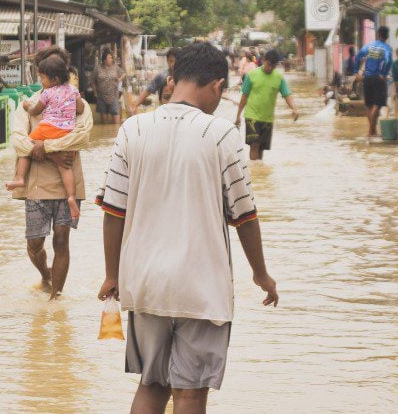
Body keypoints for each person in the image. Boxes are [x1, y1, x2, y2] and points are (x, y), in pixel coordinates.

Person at [97, 42, 278, 413]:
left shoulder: (133, 129)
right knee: (191, 393)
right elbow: (245, 216)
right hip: (201, 288)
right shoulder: (223, 135)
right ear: (216, 86)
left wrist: (111, 274)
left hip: (144, 282)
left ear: (175, 77)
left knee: (151, 386)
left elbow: (113, 211)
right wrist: (261, 275)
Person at [10, 46, 93, 300]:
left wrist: (43, 147)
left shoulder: (78, 102)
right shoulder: (30, 105)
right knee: (35, 243)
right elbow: (19, 142)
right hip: (37, 184)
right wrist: (54, 151)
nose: (42, 78)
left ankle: (55, 298)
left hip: (68, 181)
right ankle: (45, 276)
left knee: (61, 239)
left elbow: (82, 135)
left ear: (57, 73)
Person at [7, 55, 84, 219]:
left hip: (48, 129)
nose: (41, 81)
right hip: (66, 133)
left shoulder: (47, 94)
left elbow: (34, 113)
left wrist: (28, 106)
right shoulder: (72, 91)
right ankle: (71, 196)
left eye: (42, 77)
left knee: (29, 142)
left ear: (54, 78)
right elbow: (81, 109)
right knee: (66, 168)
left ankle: (20, 178)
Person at [234, 49, 298, 161]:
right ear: (263, 60)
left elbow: (287, 94)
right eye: (269, 64)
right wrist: (238, 115)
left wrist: (294, 109)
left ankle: (259, 174)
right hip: (252, 116)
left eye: (273, 66)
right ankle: (254, 174)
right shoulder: (251, 75)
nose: (270, 68)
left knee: (261, 149)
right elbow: (244, 97)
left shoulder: (279, 78)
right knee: (254, 146)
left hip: (267, 119)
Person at [355, 26, 393, 137]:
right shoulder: (386, 48)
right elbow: (388, 61)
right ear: (387, 36)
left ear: (378, 34)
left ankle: (373, 131)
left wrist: (356, 72)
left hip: (367, 78)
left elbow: (358, 57)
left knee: (369, 105)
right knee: (377, 105)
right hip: (378, 78)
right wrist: (384, 73)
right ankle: (371, 130)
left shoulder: (369, 46)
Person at [129, 47, 178, 115]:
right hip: (166, 112)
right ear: (167, 61)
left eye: (175, 61)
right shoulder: (162, 77)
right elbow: (147, 91)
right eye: (171, 61)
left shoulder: (186, 78)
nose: (173, 64)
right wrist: (135, 106)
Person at [91, 48, 126, 124]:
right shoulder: (97, 69)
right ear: (104, 59)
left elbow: (123, 73)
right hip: (101, 95)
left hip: (113, 95)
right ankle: (105, 133)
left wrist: (119, 79)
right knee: (104, 116)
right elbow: (93, 81)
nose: (111, 59)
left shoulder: (115, 67)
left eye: (111, 58)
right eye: (109, 58)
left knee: (115, 113)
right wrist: (95, 92)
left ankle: (116, 132)